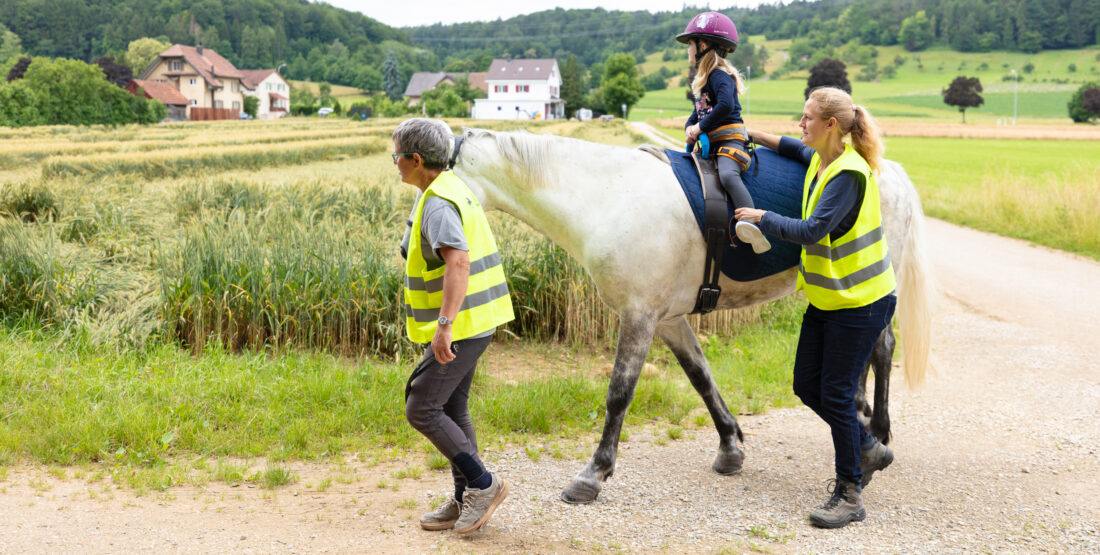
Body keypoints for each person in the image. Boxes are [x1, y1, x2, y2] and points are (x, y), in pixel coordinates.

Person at [734, 87, 897, 529]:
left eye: (807, 118)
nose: (799, 124)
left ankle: (850, 494)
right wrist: (750, 133)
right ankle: (868, 447)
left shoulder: (848, 174)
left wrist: (760, 217)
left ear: (830, 126)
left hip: (863, 303)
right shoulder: (820, 162)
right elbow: (789, 146)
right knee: (807, 384)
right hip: (830, 300)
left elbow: (813, 230)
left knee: (838, 394)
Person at [393, 118, 514, 534]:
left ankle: (483, 484)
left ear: (416, 158)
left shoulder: (439, 202)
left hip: (463, 325)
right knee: (451, 406)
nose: (394, 163)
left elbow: (458, 262)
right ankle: (466, 497)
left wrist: (443, 326)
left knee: (421, 406)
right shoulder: (449, 185)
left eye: (397, 156)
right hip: (476, 319)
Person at [677, 11, 771, 254]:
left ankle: (750, 222)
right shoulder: (705, 78)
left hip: (730, 140)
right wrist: (690, 126)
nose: (688, 49)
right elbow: (700, 111)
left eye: (691, 44)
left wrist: (700, 127)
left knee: (728, 176)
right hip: (713, 141)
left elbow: (726, 106)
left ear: (704, 44)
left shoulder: (720, 75)